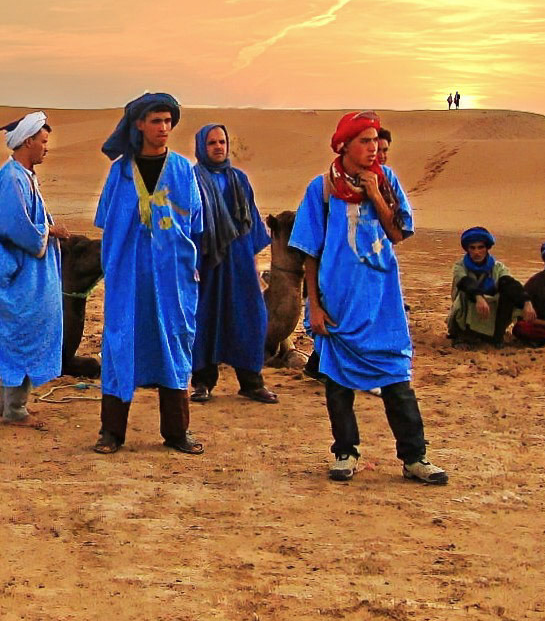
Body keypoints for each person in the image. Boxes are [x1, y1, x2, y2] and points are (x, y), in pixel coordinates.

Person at [289, 110, 448, 485]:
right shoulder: (322, 188)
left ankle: (415, 457)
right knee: (338, 381)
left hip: (381, 300)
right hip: (338, 299)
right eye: (365, 141)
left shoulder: (387, 180)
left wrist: (375, 192)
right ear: (345, 145)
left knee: (396, 377)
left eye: (376, 141)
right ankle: (345, 452)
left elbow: (397, 233)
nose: (373, 148)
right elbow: (310, 251)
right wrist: (313, 304)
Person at [92, 92, 205, 456]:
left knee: (174, 341)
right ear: (139, 124)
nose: (164, 128)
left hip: (172, 275)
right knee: (120, 341)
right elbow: (105, 221)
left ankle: (177, 431)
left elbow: (196, 223)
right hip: (128, 275)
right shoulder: (121, 171)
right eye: (156, 121)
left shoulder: (183, 170)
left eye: (169, 122)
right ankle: (111, 432)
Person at [0, 112, 71, 424]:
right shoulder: (12, 178)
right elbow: (12, 225)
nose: (47, 148)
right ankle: (15, 410)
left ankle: (11, 404)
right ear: (28, 141)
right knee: (22, 334)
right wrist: (49, 231)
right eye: (43, 141)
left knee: (27, 332)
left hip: (30, 275)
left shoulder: (23, 176)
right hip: (19, 277)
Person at [189, 123, 277, 404]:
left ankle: (251, 382)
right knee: (205, 318)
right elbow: (187, 224)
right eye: (212, 142)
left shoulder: (239, 180)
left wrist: (251, 262)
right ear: (202, 146)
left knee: (248, 317)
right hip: (206, 262)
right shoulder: (192, 179)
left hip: (239, 261)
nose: (218, 147)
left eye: (222, 142)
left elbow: (249, 221)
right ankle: (202, 382)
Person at [446, 227, 524, 346]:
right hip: (468, 309)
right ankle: (463, 334)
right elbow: (465, 282)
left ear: (487, 248)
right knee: (464, 292)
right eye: (472, 248)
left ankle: (497, 336)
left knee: (508, 293)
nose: (477, 252)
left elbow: (510, 283)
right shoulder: (460, 266)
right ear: (467, 249)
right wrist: (478, 297)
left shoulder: (498, 267)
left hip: (491, 311)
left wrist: (527, 301)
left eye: (480, 247)